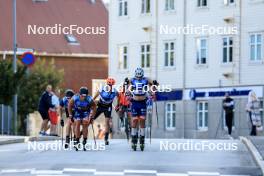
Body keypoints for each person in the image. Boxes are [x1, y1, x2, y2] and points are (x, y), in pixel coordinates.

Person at [125, 68, 158, 151]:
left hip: (143, 102)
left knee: (142, 120)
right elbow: (127, 87)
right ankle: (134, 138)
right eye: (137, 76)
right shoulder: (132, 80)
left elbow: (155, 85)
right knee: (135, 120)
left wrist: (154, 88)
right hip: (134, 102)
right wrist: (127, 90)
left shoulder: (146, 80)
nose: (139, 78)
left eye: (140, 76)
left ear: (142, 75)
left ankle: (142, 139)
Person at [68, 87, 96, 151]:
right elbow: (69, 105)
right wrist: (70, 115)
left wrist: (92, 117)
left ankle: (84, 141)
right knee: (77, 123)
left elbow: (94, 107)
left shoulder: (89, 99)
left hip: (86, 112)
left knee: (85, 124)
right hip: (77, 111)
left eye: (85, 96)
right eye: (82, 96)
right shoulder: (75, 98)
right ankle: (77, 140)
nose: (84, 97)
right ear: (79, 94)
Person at [92, 77, 118, 145]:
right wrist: (92, 100)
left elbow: (119, 97)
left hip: (108, 107)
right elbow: (97, 94)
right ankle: (81, 133)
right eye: (109, 85)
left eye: (112, 85)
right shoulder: (102, 88)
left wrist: (119, 104)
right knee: (92, 118)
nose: (110, 86)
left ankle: (106, 138)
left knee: (107, 122)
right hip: (100, 105)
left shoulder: (115, 91)